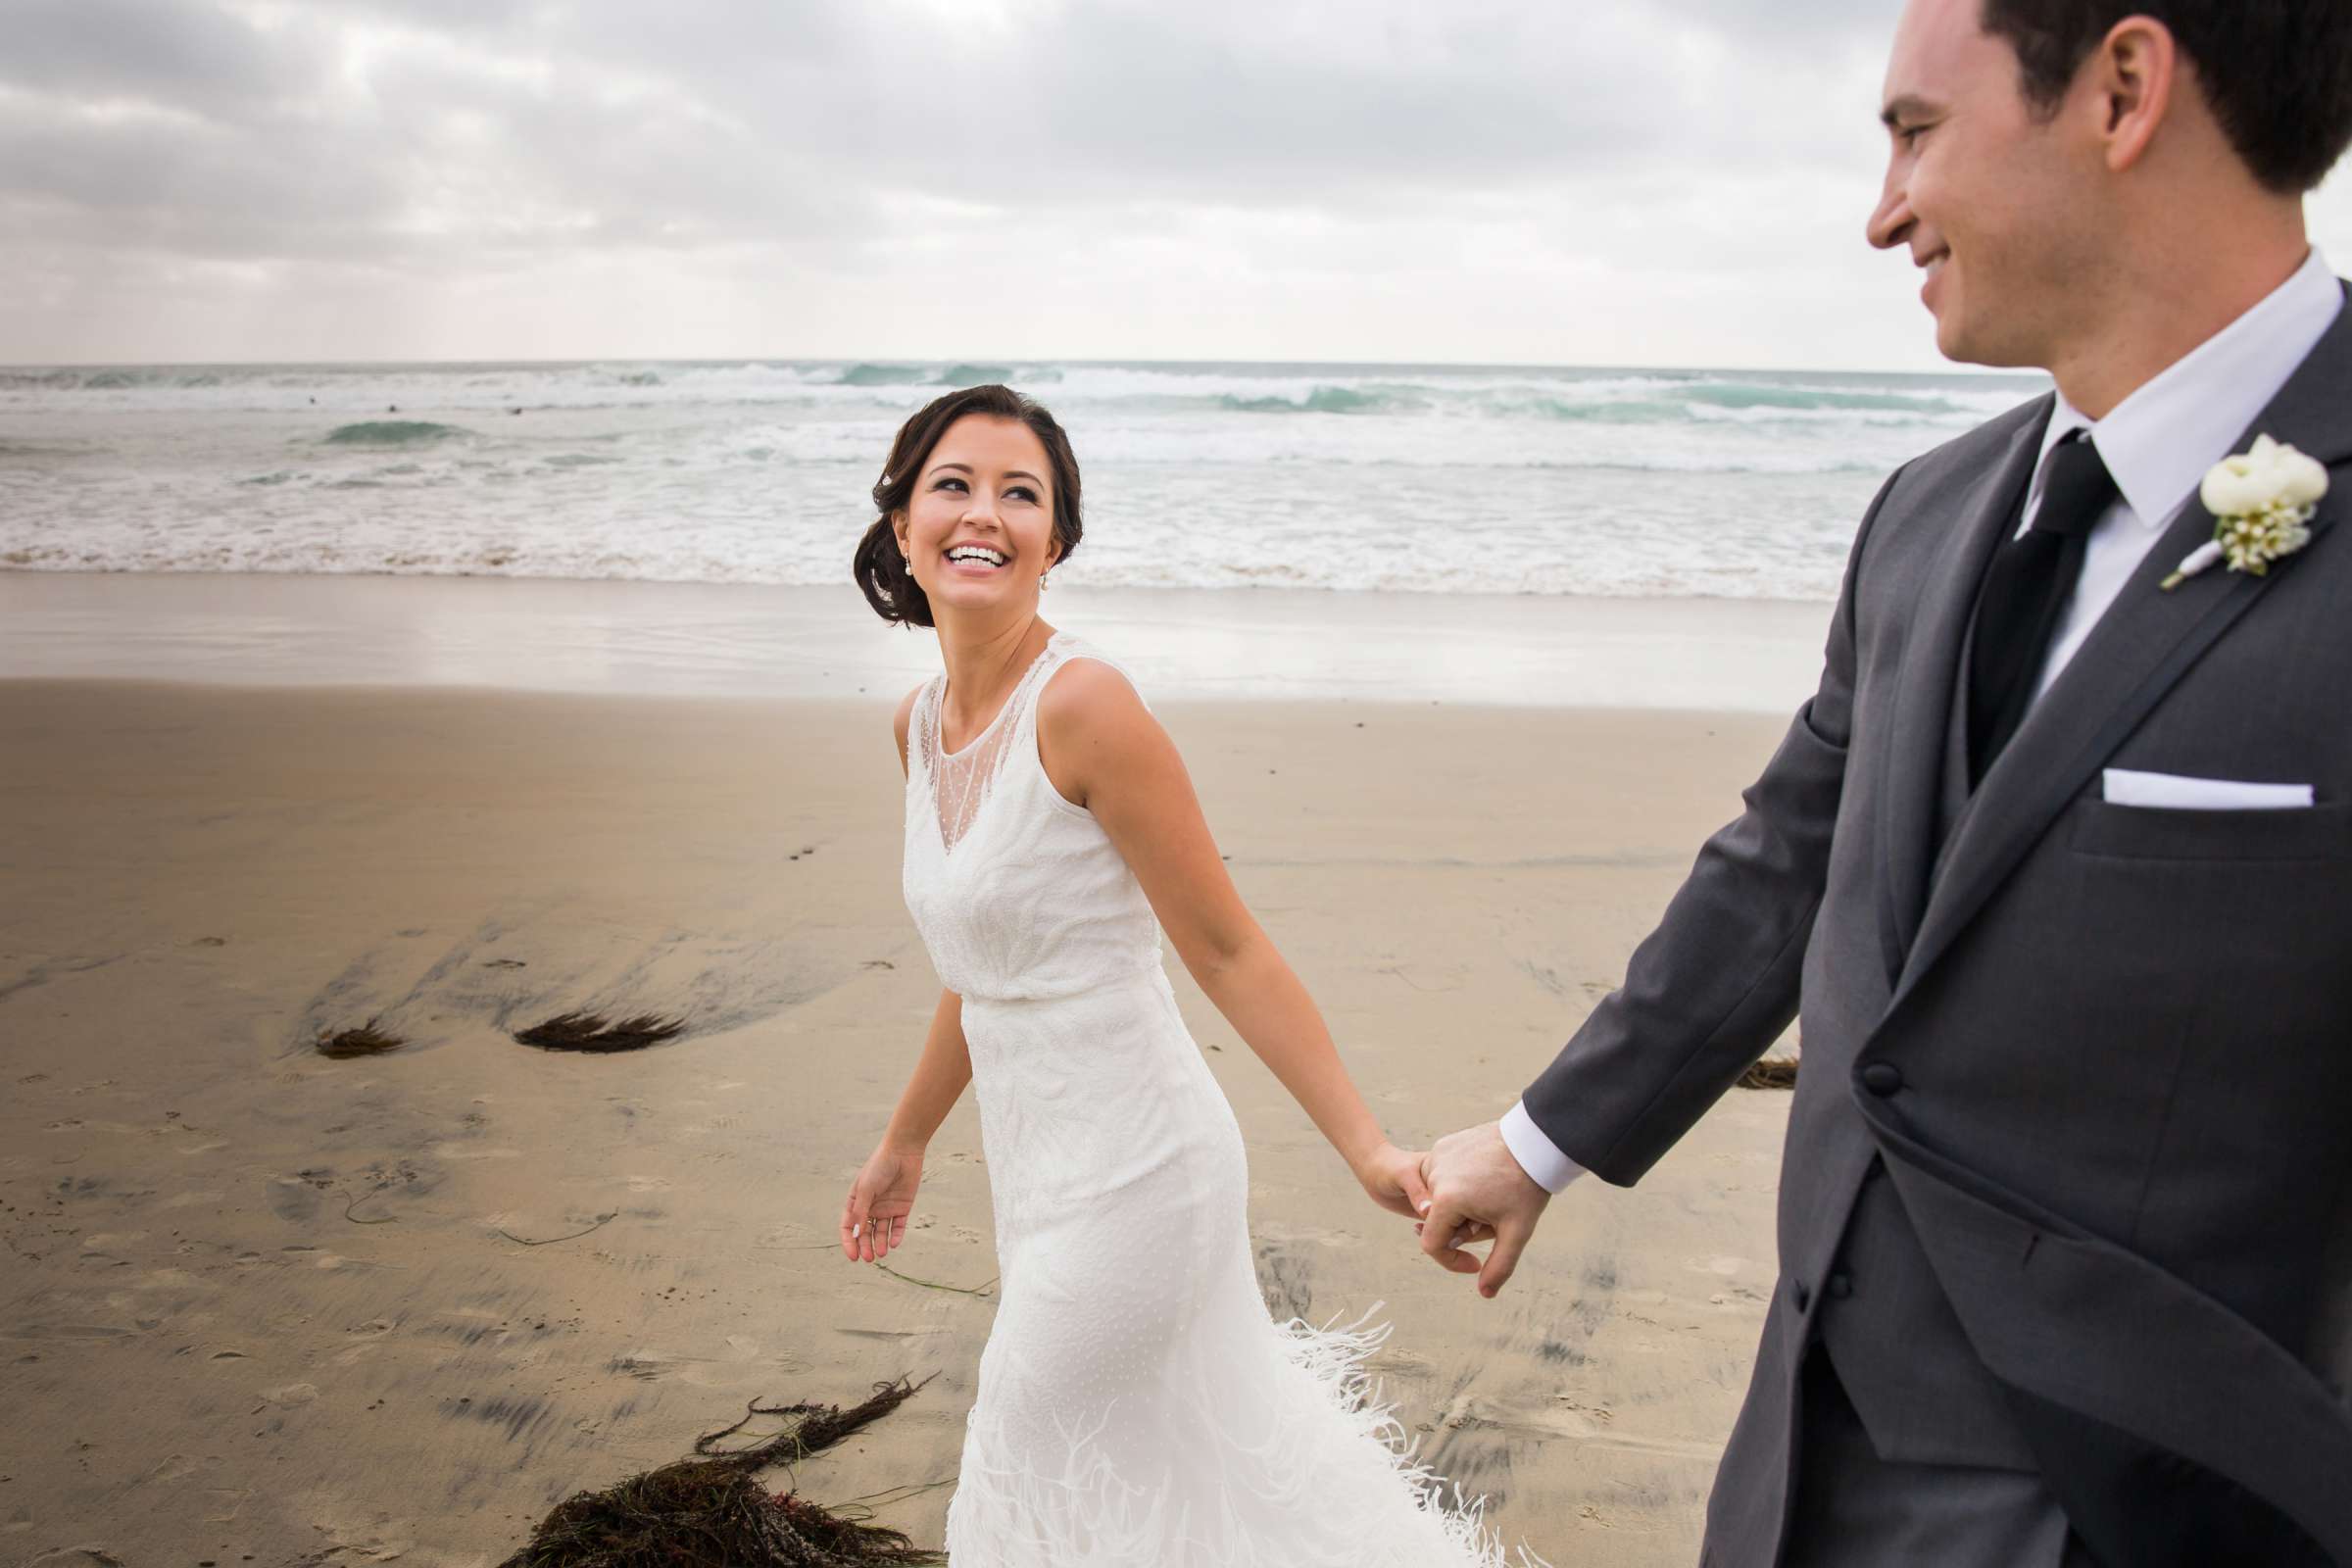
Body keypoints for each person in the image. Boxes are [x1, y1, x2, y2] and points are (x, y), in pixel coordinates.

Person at [1417, 2, 2352, 1564]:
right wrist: (1540, 1145)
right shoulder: (1928, 514)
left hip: (2172, 1513)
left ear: (2122, 89)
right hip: (1800, 1474)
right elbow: (1791, 860)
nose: (1882, 212)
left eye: (1916, 132)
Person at [839, 382, 1528, 1565]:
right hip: (1037, 1182)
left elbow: (1226, 947)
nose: (984, 513)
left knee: (1024, 1448)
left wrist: (1367, 1146)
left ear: (1054, 542)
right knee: (1168, 1485)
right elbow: (989, 963)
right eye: (953, 484)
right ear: (902, 522)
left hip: (1143, 1175)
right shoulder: (913, 726)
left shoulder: (1088, 707)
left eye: (1022, 494)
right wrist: (905, 1142)